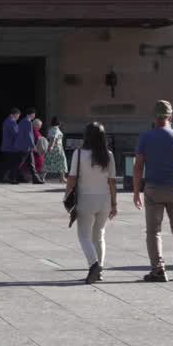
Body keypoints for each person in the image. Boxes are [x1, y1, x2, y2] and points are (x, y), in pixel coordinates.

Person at [133, 100, 173, 282]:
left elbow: (138, 167)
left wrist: (137, 191)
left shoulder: (145, 137)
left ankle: (158, 269)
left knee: (153, 231)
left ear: (155, 116)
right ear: (170, 116)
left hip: (153, 189)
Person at [66, 122, 118, 284]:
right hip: (104, 199)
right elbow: (112, 182)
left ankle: (94, 265)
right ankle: (99, 269)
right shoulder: (108, 154)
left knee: (83, 235)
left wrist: (67, 195)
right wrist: (114, 203)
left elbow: (72, 178)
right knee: (99, 235)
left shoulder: (79, 154)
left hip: (86, 199)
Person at [0, 108, 22, 183]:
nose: (18, 117)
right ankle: (12, 178)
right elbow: (16, 134)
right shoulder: (12, 122)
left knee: (6, 163)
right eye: (18, 116)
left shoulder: (6, 121)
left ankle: (0, 177)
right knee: (14, 163)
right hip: (11, 147)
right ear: (15, 114)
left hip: (7, 146)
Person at [45, 117, 68, 184]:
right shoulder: (56, 129)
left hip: (53, 147)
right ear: (59, 122)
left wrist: (50, 146)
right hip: (57, 148)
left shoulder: (50, 129)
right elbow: (53, 138)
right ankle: (62, 178)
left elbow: (50, 137)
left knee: (48, 162)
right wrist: (51, 146)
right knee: (62, 162)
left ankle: (42, 176)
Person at [29, 119, 48, 184]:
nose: (40, 127)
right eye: (39, 125)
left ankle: (39, 178)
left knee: (40, 166)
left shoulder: (36, 131)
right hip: (36, 152)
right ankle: (39, 178)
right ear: (36, 125)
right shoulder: (34, 132)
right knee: (43, 165)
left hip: (38, 152)